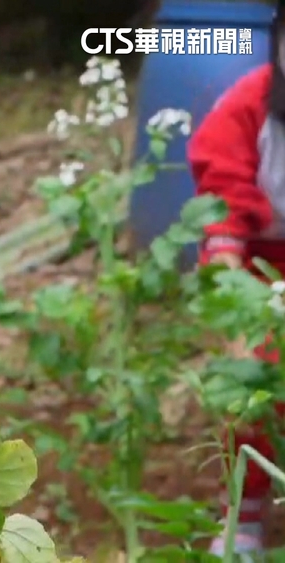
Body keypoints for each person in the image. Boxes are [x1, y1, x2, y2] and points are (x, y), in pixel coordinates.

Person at [188, 1, 285, 556]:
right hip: (253, 261)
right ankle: (243, 513)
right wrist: (236, 314)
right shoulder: (247, 107)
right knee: (254, 380)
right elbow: (221, 215)